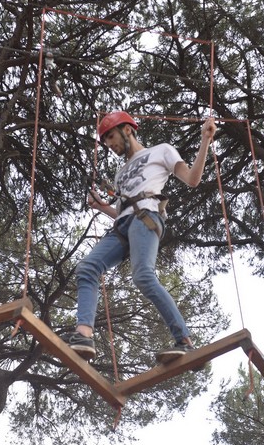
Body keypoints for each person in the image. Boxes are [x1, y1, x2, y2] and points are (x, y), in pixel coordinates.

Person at [60, 111, 217, 363]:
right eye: (106, 140)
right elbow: (122, 213)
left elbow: (192, 179)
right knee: (87, 267)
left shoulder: (160, 151)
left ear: (128, 130)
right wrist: (102, 207)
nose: (109, 144)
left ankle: (184, 341)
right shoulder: (120, 174)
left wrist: (205, 141)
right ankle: (84, 335)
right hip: (122, 226)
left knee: (143, 275)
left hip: (147, 217)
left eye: (110, 136)